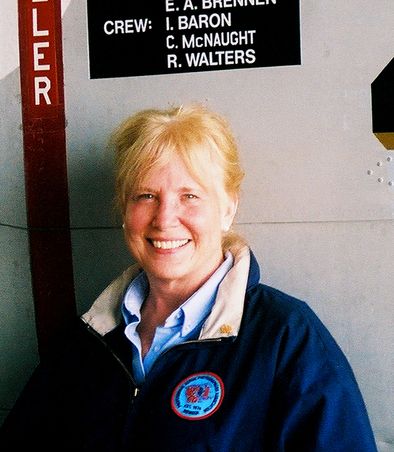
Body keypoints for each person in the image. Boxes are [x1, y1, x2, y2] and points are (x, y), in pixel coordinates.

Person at [0, 104, 378, 451]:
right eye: (145, 195)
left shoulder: (287, 339)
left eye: (190, 196)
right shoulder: (89, 341)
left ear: (228, 208)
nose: (165, 219)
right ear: (124, 208)